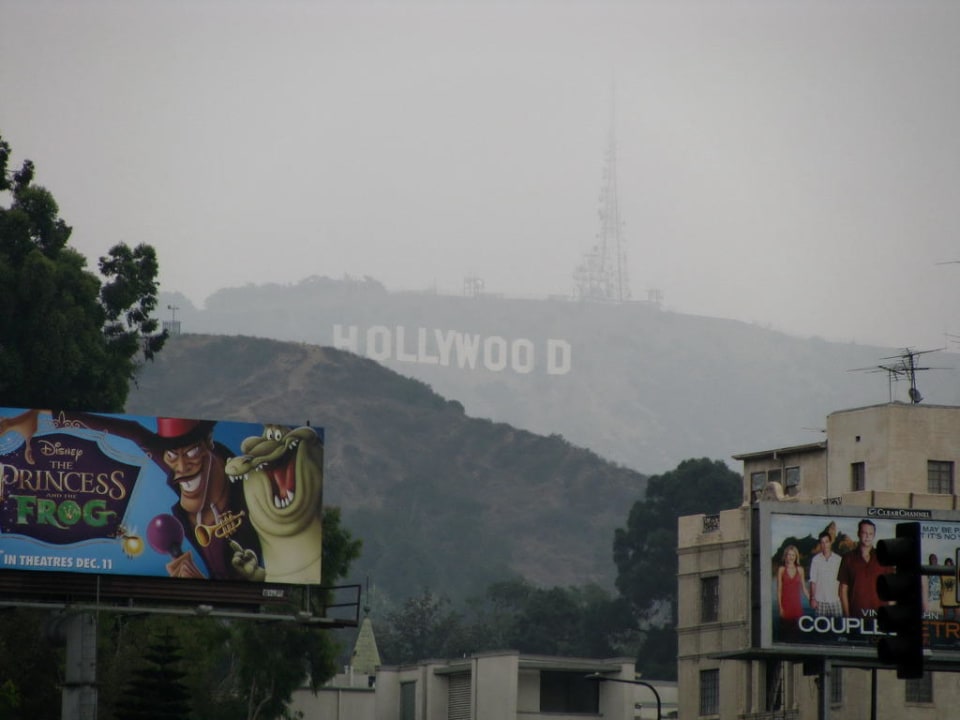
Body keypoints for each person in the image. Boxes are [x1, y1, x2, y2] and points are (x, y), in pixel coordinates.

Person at [50, 411, 261, 580]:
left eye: (191, 453)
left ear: (208, 442)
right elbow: (134, 433)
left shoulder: (249, 489)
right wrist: (61, 417)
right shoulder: (178, 469)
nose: (181, 467)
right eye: (171, 456)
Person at [837, 519, 891, 617]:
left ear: (874, 535)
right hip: (856, 616)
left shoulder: (884, 557)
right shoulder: (848, 558)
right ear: (858, 534)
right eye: (864, 533)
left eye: (870, 533)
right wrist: (847, 616)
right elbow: (842, 589)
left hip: (881, 616)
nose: (867, 536)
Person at [809, 531, 842, 617]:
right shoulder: (815, 560)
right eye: (822, 542)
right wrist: (812, 599)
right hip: (820, 601)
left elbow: (842, 582)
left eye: (826, 542)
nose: (825, 545)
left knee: (838, 628)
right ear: (820, 544)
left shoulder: (838, 559)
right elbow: (813, 581)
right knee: (820, 628)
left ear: (830, 542)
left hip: (835, 601)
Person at [777, 545, 809, 622]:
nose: (791, 557)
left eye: (793, 555)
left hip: (797, 606)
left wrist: (811, 600)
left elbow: (804, 589)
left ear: (796, 557)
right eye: (789, 555)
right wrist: (780, 608)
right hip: (785, 606)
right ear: (785, 556)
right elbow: (779, 590)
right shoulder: (781, 570)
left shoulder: (800, 570)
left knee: (798, 631)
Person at [923, 553, 941, 617]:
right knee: (931, 617)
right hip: (930, 598)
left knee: (940, 617)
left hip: (939, 598)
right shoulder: (928, 569)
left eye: (935, 558)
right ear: (930, 560)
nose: (934, 560)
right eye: (932, 558)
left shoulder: (940, 568)